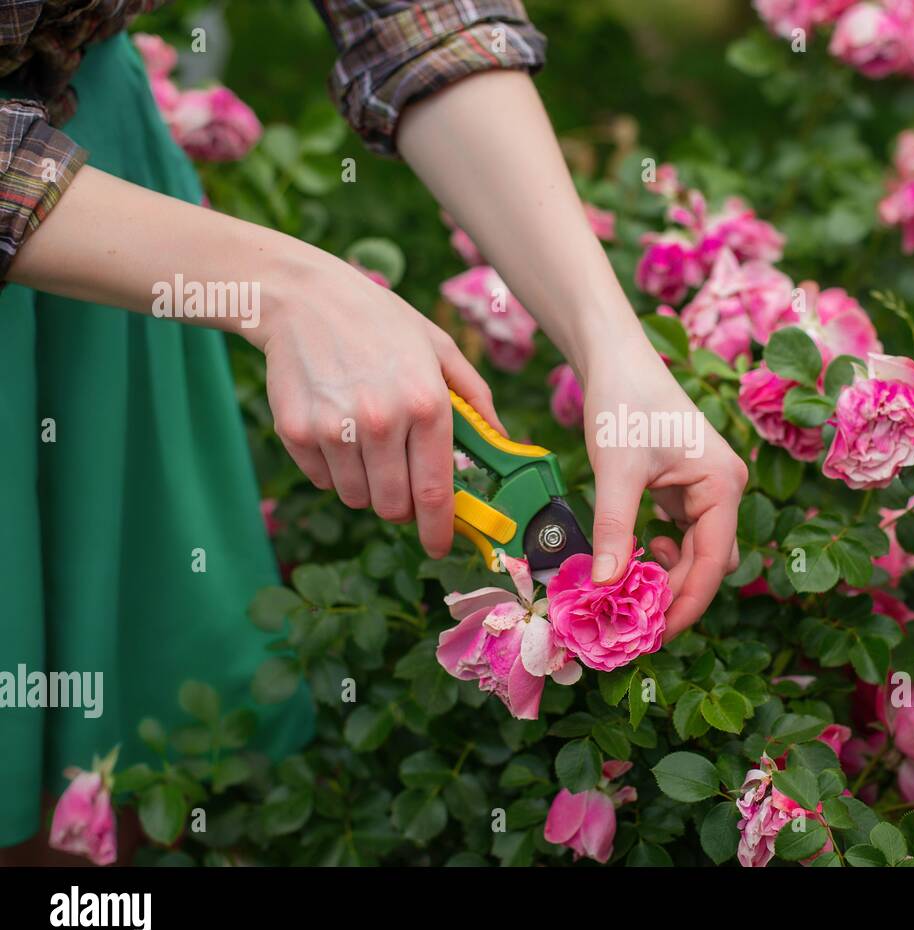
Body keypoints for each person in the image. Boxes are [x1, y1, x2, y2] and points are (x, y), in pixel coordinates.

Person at [0, 0, 745, 861]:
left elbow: (415, 15)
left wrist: (615, 350)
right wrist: (287, 289)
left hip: (109, 215)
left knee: (96, 772)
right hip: (97, 235)